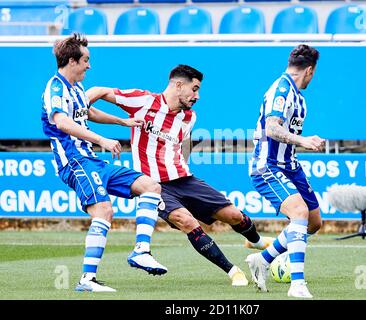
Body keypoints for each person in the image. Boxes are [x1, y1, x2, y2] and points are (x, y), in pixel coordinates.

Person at [86, 64, 274, 287]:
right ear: (178, 85)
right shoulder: (143, 101)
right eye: (194, 89)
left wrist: (181, 163)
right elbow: (97, 90)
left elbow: (185, 143)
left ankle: (256, 242)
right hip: (154, 185)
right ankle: (234, 272)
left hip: (185, 179)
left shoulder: (189, 116)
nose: (197, 96)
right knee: (187, 222)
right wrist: (81, 107)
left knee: (234, 215)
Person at [41, 33, 167, 293]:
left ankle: (141, 251)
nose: (89, 65)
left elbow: (89, 112)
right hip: (74, 162)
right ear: (72, 60)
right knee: (103, 211)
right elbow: (62, 122)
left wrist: (124, 122)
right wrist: (102, 140)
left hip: (92, 161)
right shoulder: (55, 87)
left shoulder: (75, 88)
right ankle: (87, 280)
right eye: (86, 60)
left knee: (150, 186)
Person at [245, 44, 324, 298]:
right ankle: (297, 285)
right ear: (310, 70)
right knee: (299, 212)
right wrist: (304, 141)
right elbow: (272, 128)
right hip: (267, 165)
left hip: (290, 165)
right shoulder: (281, 89)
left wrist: (301, 144)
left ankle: (263, 259)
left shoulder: (297, 95)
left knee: (313, 222)